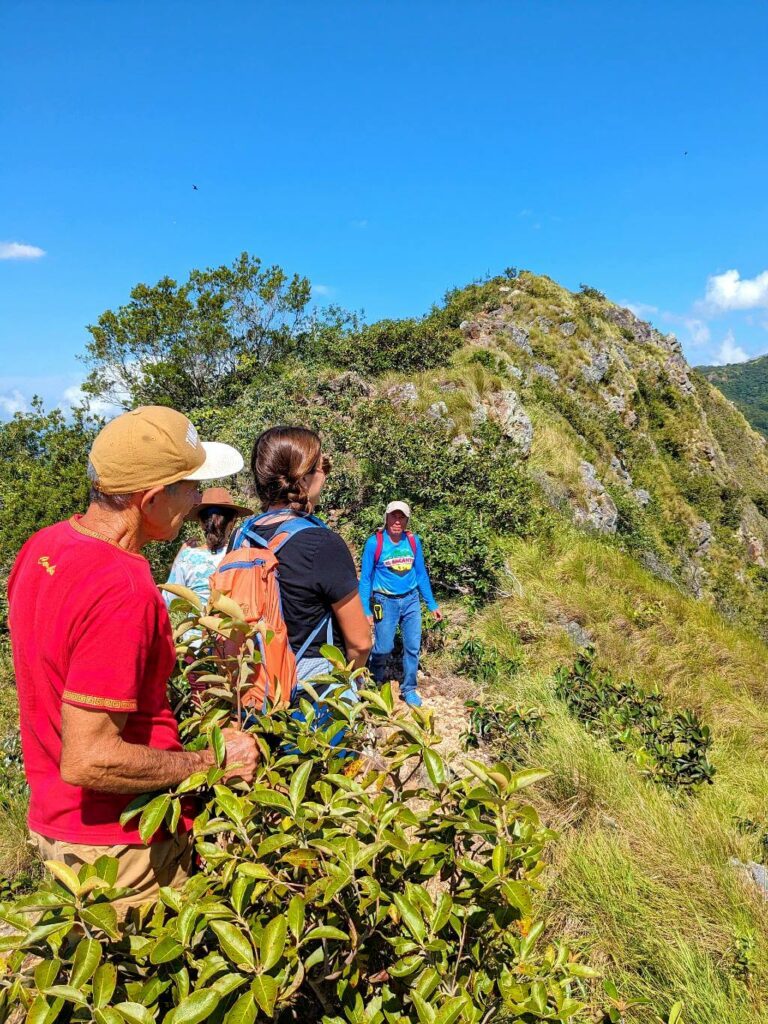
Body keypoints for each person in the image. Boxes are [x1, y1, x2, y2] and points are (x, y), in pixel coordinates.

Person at [7, 406, 259, 911]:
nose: (195, 501)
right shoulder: (123, 587)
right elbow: (89, 757)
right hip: (119, 845)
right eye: (188, 486)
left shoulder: (43, 547)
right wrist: (213, 761)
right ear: (149, 499)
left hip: (61, 825)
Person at [230, 426, 371, 688]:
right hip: (311, 693)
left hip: (253, 685)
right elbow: (360, 643)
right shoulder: (322, 544)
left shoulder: (241, 536)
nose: (325, 477)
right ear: (304, 478)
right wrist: (350, 681)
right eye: (321, 469)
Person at [358, 500, 443, 707]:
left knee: (412, 647)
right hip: (384, 601)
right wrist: (365, 609)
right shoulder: (374, 543)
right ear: (386, 518)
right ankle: (375, 679)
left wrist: (431, 604)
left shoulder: (413, 542)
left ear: (407, 520)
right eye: (394, 516)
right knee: (384, 646)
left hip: (411, 600)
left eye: (402, 517)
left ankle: (409, 688)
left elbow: (421, 574)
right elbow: (366, 579)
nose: (397, 521)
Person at [164, 487, 252, 611]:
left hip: (196, 627)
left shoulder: (187, 557)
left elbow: (168, 600)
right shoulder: (240, 555)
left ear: (201, 523)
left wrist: (179, 556)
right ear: (231, 523)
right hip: (229, 628)